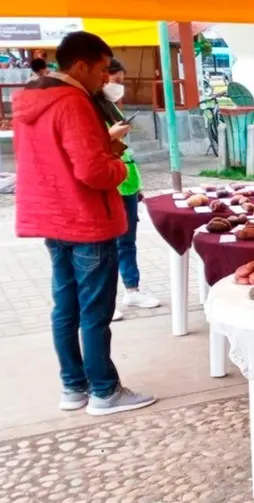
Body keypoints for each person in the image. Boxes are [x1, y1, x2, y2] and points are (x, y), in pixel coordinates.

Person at [13, 32, 156, 416]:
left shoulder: (31, 100)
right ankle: (105, 391)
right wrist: (117, 164)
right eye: (103, 70)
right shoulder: (73, 101)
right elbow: (93, 172)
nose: (106, 79)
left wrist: (102, 148)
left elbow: (58, 158)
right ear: (81, 66)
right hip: (85, 219)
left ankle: (73, 386)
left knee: (66, 307)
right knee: (94, 310)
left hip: (52, 217)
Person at [93, 59, 161, 318]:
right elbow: (93, 152)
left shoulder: (110, 108)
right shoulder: (88, 109)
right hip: (106, 187)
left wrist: (137, 185)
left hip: (127, 183)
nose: (119, 87)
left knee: (127, 242)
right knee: (104, 246)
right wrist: (110, 137)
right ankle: (103, 300)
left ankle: (132, 289)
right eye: (117, 81)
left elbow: (123, 152)